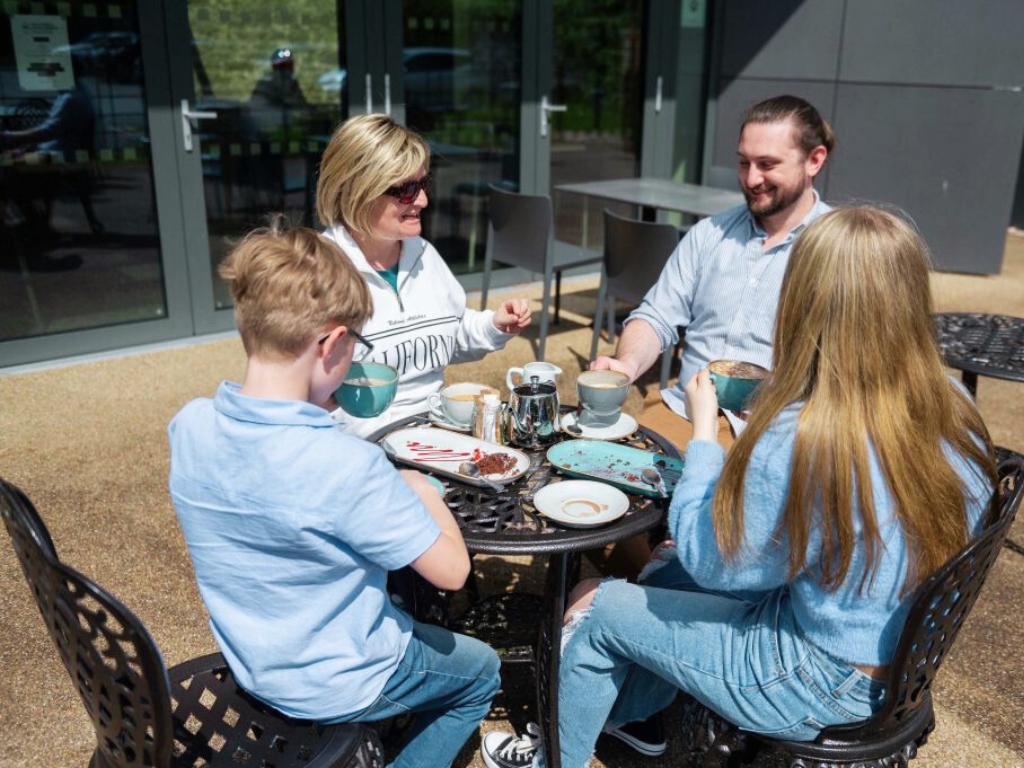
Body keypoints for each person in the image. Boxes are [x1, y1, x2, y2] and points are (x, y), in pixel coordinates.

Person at [481, 206, 998, 768]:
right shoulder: (954, 402)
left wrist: (704, 433)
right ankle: (628, 721)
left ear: (807, 300)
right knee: (669, 574)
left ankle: (551, 758)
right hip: (892, 658)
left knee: (597, 606)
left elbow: (714, 560)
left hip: (807, 674)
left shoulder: (805, 431)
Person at [167, 220, 501, 768]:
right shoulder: (350, 466)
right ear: (333, 344)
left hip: (252, 658)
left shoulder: (190, 426)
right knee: (479, 673)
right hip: (340, 678)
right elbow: (453, 572)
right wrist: (419, 488)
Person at [587, 94, 835, 579]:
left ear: (815, 160)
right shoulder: (709, 235)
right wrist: (627, 365)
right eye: (743, 163)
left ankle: (662, 584)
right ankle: (659, 580)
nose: (750, 179)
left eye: (768, 164)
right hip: (682, 412)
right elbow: (657, 315)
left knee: (722, 535)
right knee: (592, 499)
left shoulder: (834, 248)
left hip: (772, 431)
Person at [316, 113, 532, 438]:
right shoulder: (317, 272)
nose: (423, 200)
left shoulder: (423, 254)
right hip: (362, 448)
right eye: (406, 189)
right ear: (359, 189)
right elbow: (297, 390)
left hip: (435, 435)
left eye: (423, 183)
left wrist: (493, 325)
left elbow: (447, 332)